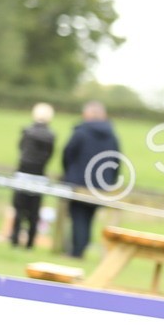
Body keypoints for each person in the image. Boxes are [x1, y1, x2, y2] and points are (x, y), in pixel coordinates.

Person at [61, 101, 120, 259]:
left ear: (86, 115)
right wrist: (109, 181)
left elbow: (68, 154)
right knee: (89, 217)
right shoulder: (112, 136)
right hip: (100, 185)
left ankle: (76, 252)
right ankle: (81, 248)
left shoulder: (81, 132)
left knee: (78, 217)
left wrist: (68, 174)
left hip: (79, 182)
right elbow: (116, 160)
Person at [10, 103, 56, 248]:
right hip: (39, 175)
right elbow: (49, 154)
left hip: (23, 173)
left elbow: (21, 149)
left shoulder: (27, 132)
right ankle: (30, 242)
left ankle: (15, 239)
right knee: (34, 211)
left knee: (19, 209)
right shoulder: (51, 136)